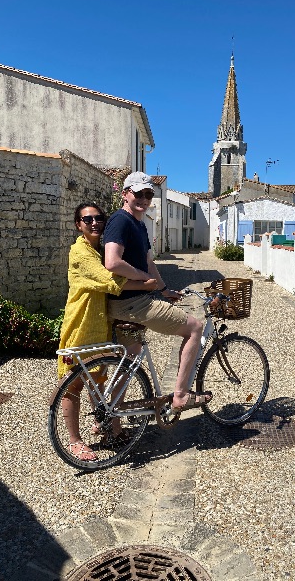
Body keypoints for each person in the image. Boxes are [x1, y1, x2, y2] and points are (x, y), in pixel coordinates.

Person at [104, 172, 212, 413]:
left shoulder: (139, 225)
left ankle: (110, 418)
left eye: (149, 194)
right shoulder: (121, 221)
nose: (144, 198)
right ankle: (181, 396)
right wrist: (145, 279)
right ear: (125, 194)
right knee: (194, 327)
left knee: (131, 358)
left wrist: (163, 289)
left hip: (126, 303)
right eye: (139, 193)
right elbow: (112, 262)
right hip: (133, 303)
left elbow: (149, 262)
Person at [58, 202, 158, 461]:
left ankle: (106, 428)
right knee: (73, 385)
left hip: (100, 326)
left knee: (97, 383)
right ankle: (74, 441)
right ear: (78, 224)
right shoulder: (80, 253)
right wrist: (146, 284)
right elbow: (109, 281)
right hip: (80, 326)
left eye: (98, 218)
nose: (94, 223)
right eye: (87, 219)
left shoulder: (100, 250)